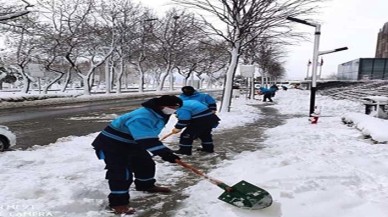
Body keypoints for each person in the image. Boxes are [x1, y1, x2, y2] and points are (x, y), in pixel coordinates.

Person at [91, 95, 183, 215]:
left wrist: (164, 152)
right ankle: (118, 203)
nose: (174, 110)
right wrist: (166, 154)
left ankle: (145, 185)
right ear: (162, 106)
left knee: (145, 163)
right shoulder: (142, 117)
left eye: (177, 108)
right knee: (121, 173)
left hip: (131, 142)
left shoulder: (159, 113)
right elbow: (147, 139)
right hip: (112, 143)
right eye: (173, 107)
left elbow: (148, 135)